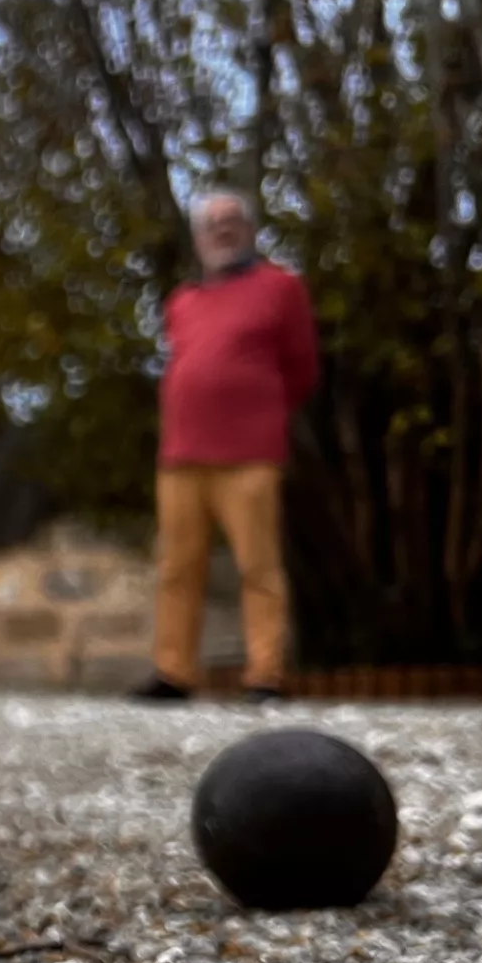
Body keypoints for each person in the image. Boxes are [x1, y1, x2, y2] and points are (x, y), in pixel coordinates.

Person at [134, 190, 320, 706]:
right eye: (211, 223)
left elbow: (301, 367)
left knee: (257, 566)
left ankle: (266, 674)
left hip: (250, 452)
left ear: (249, 229)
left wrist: (256, 408)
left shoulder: (281, 288)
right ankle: (173, 672)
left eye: (231, 220)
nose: (221, 229)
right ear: (197, 238)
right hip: (181, 455)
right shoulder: (183, 301)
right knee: (177, 567)